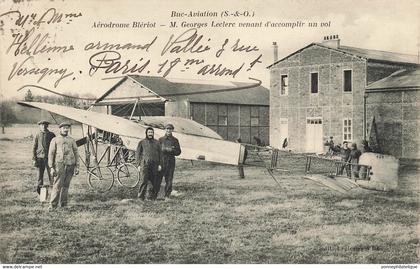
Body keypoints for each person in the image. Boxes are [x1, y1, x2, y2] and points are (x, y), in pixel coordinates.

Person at [48, 122, 79, 210]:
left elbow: (76, 153)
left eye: (67, 128)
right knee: (57, 185)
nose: (66, 130)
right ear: (60, 129)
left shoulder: (71, 140)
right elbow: (51, 154)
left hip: (70, 165)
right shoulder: (55, 140)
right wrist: (51, 167)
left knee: (66, 186)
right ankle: (53, 205)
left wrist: (77, 166)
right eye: (64, 128)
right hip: (59, 165)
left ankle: (64, 204)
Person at [136, 127, 161, 200]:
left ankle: (151, 197)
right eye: (149, 132)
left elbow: (160, 154)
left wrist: (160, 164)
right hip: (145, 164)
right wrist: (138, 165)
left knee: (154, 181)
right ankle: (141, 197)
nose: (150, 134)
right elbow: (138, 154)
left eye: (151, 132)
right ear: (146, 133)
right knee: (143, 180)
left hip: (154, 164)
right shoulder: (142, 142)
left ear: (153, 133)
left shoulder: (157, 142)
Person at [158, 124, 181, 198]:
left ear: (172, 130)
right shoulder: (160, 139)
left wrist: (171, 150)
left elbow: (178, 152)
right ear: (165, 130)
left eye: (170, 129)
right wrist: (163, 149)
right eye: (167, 129)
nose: (168, 130)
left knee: (169, 180)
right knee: (158, 178)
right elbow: (157, 151)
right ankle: (156, 195)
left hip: (170, 162)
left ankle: (167, 196)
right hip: (162, 161)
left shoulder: (175, 140)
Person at [32, 120, 55, 195]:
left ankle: (54, 191)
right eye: (42, 125)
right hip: (39, 158)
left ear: (47, 126)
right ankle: (40, 192)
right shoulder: (37, 135)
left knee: (51, 175)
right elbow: (34, 147)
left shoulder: (51, 135)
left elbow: (55, 147)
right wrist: (34, 159)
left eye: (45, 125)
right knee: (39, 176)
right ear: (39, 126)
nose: (43, 127)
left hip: (49, 158)